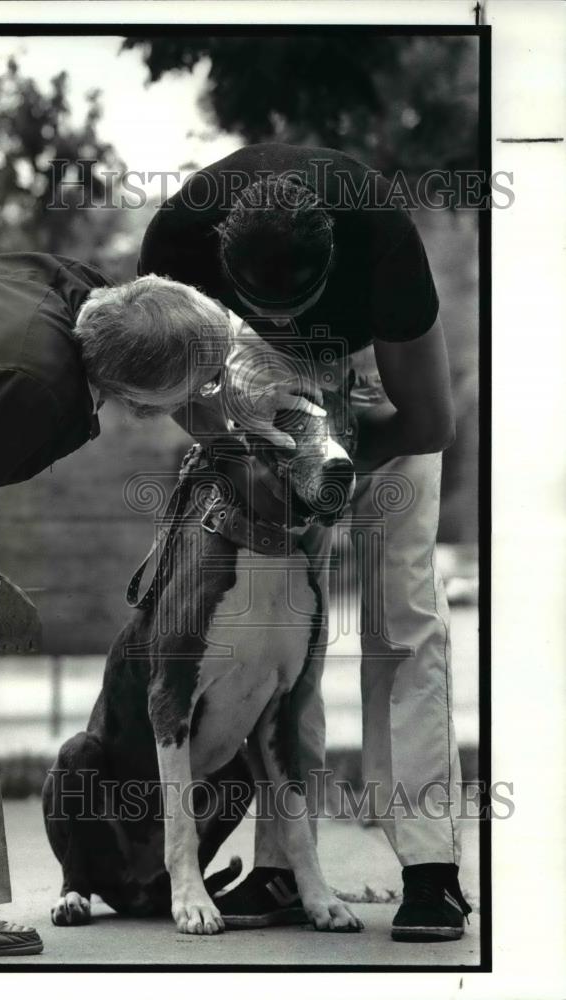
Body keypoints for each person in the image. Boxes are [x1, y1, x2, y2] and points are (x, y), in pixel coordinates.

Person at [138, 144, 472, 942]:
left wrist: (332, 465)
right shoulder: (176, 246)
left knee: (402, 612)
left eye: (300, 304)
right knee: (279, 638)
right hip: (250, 395)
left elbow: (428, 422)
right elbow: (176, 391)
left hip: (371, 389)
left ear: (334, 264)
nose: (284, 323)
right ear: (218, 260)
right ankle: (285, 868)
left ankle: (429, 869)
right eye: (263, 305)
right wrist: (243, 454)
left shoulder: (383, 243)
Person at [0, 253, 232, 957]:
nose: (208, 391)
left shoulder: (85, 296)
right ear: (143, 389)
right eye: (199, 379)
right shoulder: (35, 378)